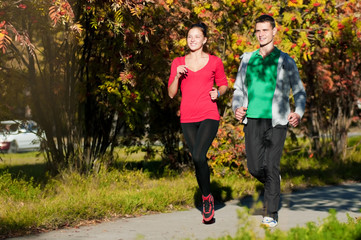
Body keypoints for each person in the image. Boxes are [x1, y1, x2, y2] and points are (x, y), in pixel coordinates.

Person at [232, 15, 306, 227]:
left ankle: (271, 212)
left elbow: (299, 91)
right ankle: (274, 184)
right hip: (252, 119)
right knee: (255, 167)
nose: (262, 34)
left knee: (271, 165)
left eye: (265, 30)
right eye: (258, 31)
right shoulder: (247, 59)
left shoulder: (285, 60)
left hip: (277, 120)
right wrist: (237, 108)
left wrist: (298, 112)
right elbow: (238, 89)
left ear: (275, 31)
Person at [168, 22, 228, 224]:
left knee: (199, 154)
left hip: (209, 114)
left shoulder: (214, 61)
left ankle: (206, 201)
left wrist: (217, 92)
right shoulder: (178, 62)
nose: (192, 40)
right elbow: (171, 93)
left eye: (197, 36)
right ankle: (207, 195)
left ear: (205, 40)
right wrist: (177, 75)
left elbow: (224, 84)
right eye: (189, 36)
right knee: (198, 159)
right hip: (187, 117)